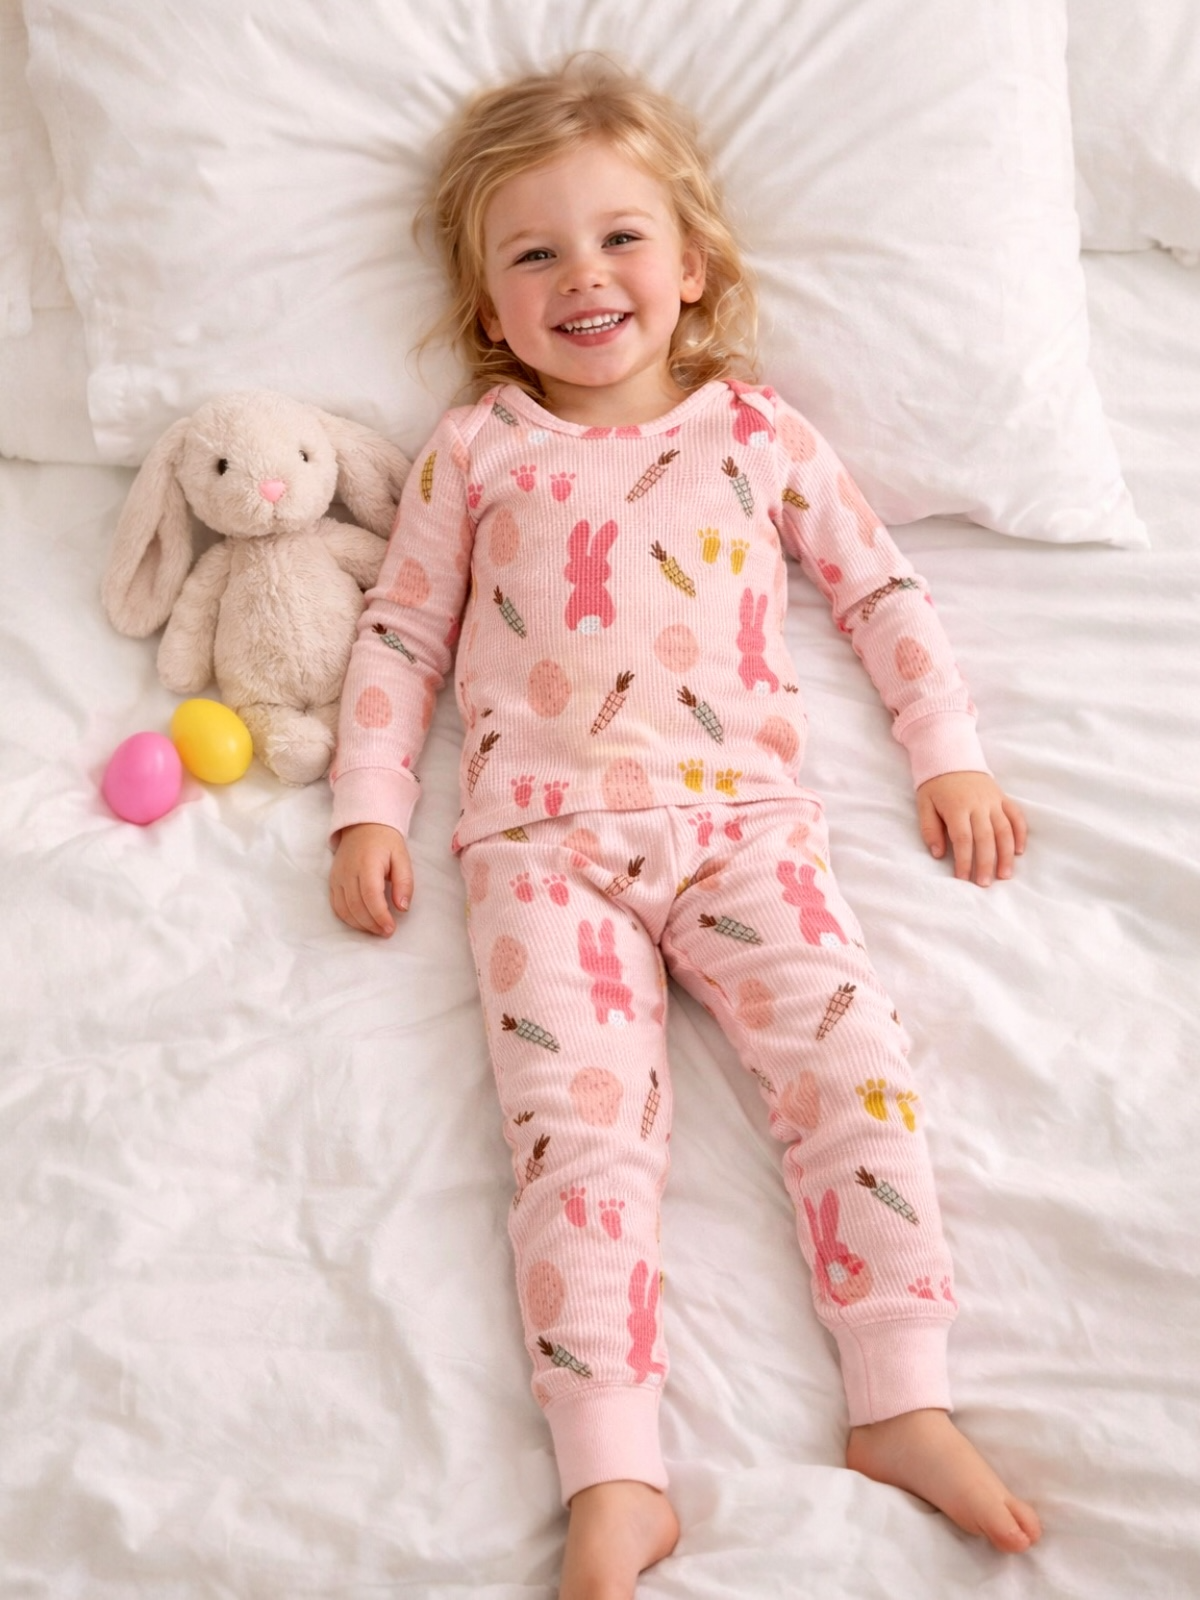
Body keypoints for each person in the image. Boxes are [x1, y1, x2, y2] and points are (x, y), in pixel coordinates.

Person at [328, 54, 1040, 1598]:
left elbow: (877, 588)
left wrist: (948, 754)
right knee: (578, 1144)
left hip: (746, 829)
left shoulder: (757, 431)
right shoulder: (476, 449)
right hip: (542, 849)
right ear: (487, 305)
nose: (583, 277)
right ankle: (615, 1480)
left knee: (855, 1072)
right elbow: (399, 632)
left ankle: (899, 1398)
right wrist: (367, 804)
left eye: (620, 238)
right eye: (534, 254)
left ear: (694, 262)